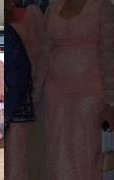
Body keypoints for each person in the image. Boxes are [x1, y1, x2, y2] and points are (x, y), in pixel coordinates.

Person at [33, 0, 114, 179]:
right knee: (56, 146)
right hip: (55, 89)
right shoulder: (53, 7)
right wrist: (35, 95)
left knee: (86, 148)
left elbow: (108, 54)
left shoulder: (102, 6)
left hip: (90, 90)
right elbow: (45, 53)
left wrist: (111, 102)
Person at [5, 23, 34, 180]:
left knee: (15, 161)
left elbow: (19, 76)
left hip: (15, 107)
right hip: (14, 105)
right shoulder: (10, 32)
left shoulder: (10, 34)